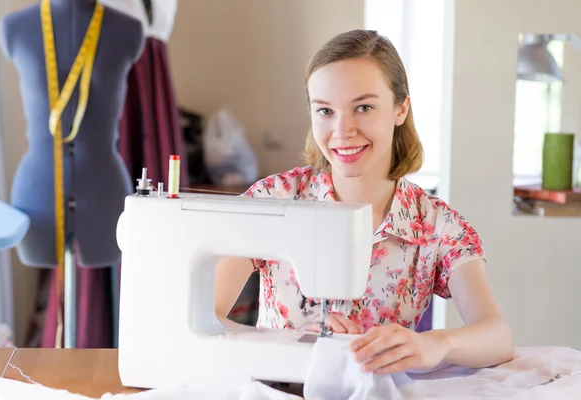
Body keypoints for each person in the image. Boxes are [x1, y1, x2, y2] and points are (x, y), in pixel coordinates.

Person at [215, 29, 514, 375]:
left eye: (363, 107)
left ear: (401, 108)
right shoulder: (274, 201)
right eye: (325, 111)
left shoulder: (436, 226)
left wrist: (435, 343)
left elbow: (498, 336)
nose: (343, 131)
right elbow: (204, 317)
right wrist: (290, 345)